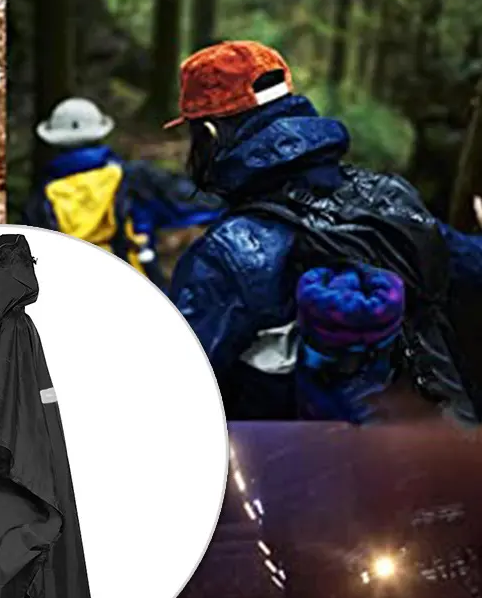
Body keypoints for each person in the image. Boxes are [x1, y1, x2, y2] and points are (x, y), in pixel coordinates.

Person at [165, 40, 482, 424]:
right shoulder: (393, 200)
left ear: (211, 135)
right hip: (439, 457)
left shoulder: (227, 253)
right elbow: (469, 267)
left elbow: (173, 396)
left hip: (298, 477)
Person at [24, 97, 221, 288]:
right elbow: (197, 205)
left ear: (53, 141)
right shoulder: (134, 179)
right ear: (101, 133)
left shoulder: (42, 200)